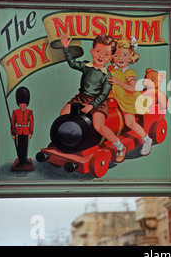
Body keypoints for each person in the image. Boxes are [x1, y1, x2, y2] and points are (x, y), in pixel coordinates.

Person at [60, 34, 127, 163]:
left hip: (98, 102)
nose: (101, 56)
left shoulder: (107, 76)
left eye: (106, 54)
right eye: (98, 51)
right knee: (63, 114)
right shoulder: (86, 66)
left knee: (98, 125)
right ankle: (67, 140)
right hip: (81, 97)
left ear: (111, 57)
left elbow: (103, 95)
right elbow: (72, 63)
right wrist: (66, 48)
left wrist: (92, 105)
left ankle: (120, 146)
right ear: (92, 51)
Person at [108, 37, 153, 156]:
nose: (121, 58)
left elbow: (133, 88)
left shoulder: (129, 73)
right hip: (117, 99)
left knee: (130, 123)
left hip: (128, 101)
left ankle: (146, 140)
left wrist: (118, 82)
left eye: (124, 55)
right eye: (117, 55)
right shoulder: (115, 71)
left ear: (130, 57)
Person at [11, 86, 34, 168]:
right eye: (21, 104)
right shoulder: (15, 112)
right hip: (18, 131)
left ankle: (24, 160)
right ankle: (20, 161)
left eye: (24, 104)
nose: (23, 106)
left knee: (25, 146)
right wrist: (13, 133)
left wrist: (31, 132)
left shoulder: (29, 112)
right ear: (18, 104)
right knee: (19, 146)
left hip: (26, 130)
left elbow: (31, 122)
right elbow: (13, 123)